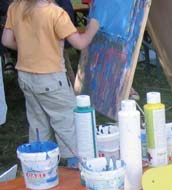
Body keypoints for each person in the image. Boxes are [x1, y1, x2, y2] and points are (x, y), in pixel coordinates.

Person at [1, 0, 99, 158]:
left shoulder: (16, 6)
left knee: (38, 124)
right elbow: (80, 44)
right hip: (51, 79)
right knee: (67, 125)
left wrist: (29, 48)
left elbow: (6, 40)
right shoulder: (55, 13)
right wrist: (93, 27)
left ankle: (39, 164)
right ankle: (73, 163)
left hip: (25, 77)